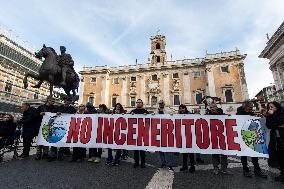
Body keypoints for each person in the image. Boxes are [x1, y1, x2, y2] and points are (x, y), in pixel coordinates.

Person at [236, 101, 267, 178]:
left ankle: (257, 171)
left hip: (252, 136)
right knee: (244, 155)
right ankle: (245, 170)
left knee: (254, 154)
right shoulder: (238, 114)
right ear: (245, 107)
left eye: (252, 106)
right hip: (242, 136)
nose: (252, 108)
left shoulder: (252, 114)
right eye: (250, 107)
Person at [48, 97, 76, 161]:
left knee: (63, 141)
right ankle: (53, 155)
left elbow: (74, 116)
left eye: (67, 100)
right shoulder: (58, 107)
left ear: (70, 102)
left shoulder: (72, 109)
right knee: (54, 140)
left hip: (66, 127)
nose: (66, 101)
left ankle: (61, 154)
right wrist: (56, 113)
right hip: (57, 126)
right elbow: (52, 114)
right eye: (65, 100)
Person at [207, 102, 229, 175]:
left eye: (213, 107)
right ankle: (215, 168)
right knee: (215, 154)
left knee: (224, 154)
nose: (212, 109)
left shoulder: (222, 115)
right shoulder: (207, 116)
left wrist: (230, 117)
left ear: (216, 107)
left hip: (222, 137)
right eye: (211, 107)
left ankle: (224, 169)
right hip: (213, 138)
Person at [266, 101, 284, 182]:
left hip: (282, 138)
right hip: (276, 140)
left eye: (272, 106)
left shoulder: (282, 112)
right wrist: (271, 117)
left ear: (276, 106)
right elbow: (269, 125)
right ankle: (282, 174)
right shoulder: (270, 115)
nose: (270, 108)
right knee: (279, 157)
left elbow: (279, 121)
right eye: (269, 107)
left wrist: (273, 116)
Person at [130, 99, 149, 168]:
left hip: (143, 133)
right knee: (136, 150)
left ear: (142, 104)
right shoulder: (133, 111)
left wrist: (148, 115)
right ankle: (136, 162)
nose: (138, 103)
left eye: (139, 102)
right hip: (135, 133)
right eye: (137, 102)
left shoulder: (145, 111)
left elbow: (150, 120)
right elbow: (127, 119)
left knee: (142, 150)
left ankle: (143, 163)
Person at [157, 100, 174, 172]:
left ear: (164, 104)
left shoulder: (168, 110)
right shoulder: (156, 111)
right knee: (160, 149)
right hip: (158, 131)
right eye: (160, 103)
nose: (161, 104)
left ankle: (169, 164)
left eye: (162, 103)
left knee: (167, 149)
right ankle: (163, 163)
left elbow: (173, 116)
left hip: (167, 131)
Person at [179, 104, 195, 173]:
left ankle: (192, 166)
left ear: (185, 109)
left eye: (182, 108)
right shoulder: (178, 115)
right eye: (180, 108)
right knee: (184, 153)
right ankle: (185, 166)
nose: (181, 110)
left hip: (190, 136)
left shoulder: (189, 114)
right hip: (183, 136)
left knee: (191, 153)